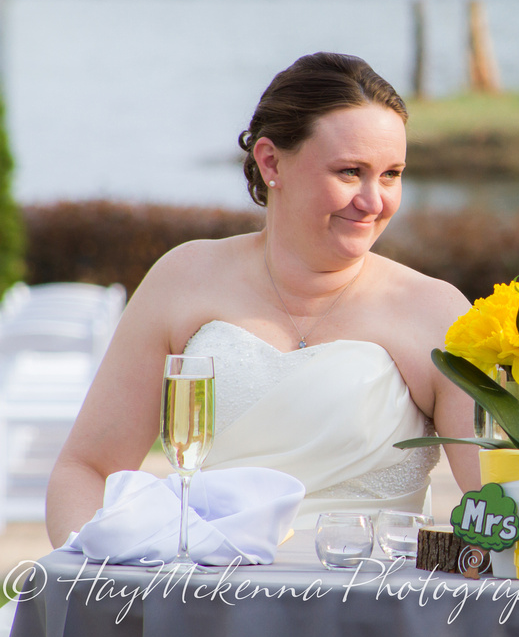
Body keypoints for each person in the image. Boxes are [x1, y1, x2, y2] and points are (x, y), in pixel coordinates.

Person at [44, 52, 479, 546]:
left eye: (391, 174)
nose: (374, 201)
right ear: (271, 161)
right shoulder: (184, 278)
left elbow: (502, 504)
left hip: (366, 613)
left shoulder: (436, 311)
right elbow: (86, 469)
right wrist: (93, 586)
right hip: (204, 604)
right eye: (349, 172)